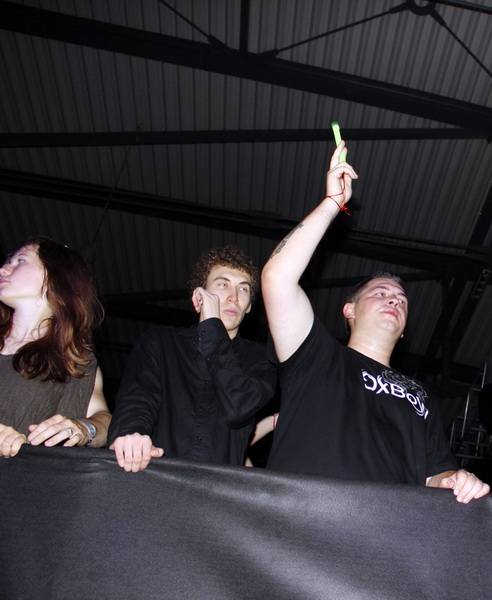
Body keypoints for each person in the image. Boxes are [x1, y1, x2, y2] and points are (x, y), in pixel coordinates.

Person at [261, 141, 490, 504]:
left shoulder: (422, 395)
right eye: (381, 292)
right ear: (349, 310)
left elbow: (434, 473)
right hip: (302, 521)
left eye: (402, 300)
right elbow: (277, 278)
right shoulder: (317, 357)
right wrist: (332, 203)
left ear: (405, 328)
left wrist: (457, 479)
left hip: (388, 531)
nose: (394, 300)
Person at [107, 245, 277, 472]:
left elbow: (239, 407)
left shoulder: (261, 360)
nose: (234, 298)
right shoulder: (160, 342)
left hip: (217, 488)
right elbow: (138, 399)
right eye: (223, 284)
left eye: (243, 289)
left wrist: (212, 328)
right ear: (199, 295)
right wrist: (132, 434)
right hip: (154, 478)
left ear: (248, 308)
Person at [0, 236, 111, 457]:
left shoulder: (76, 361)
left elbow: (104, 421)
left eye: (20, 261)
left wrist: (83, 428)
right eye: (7, 262)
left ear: (56, 275)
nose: (3, 269)